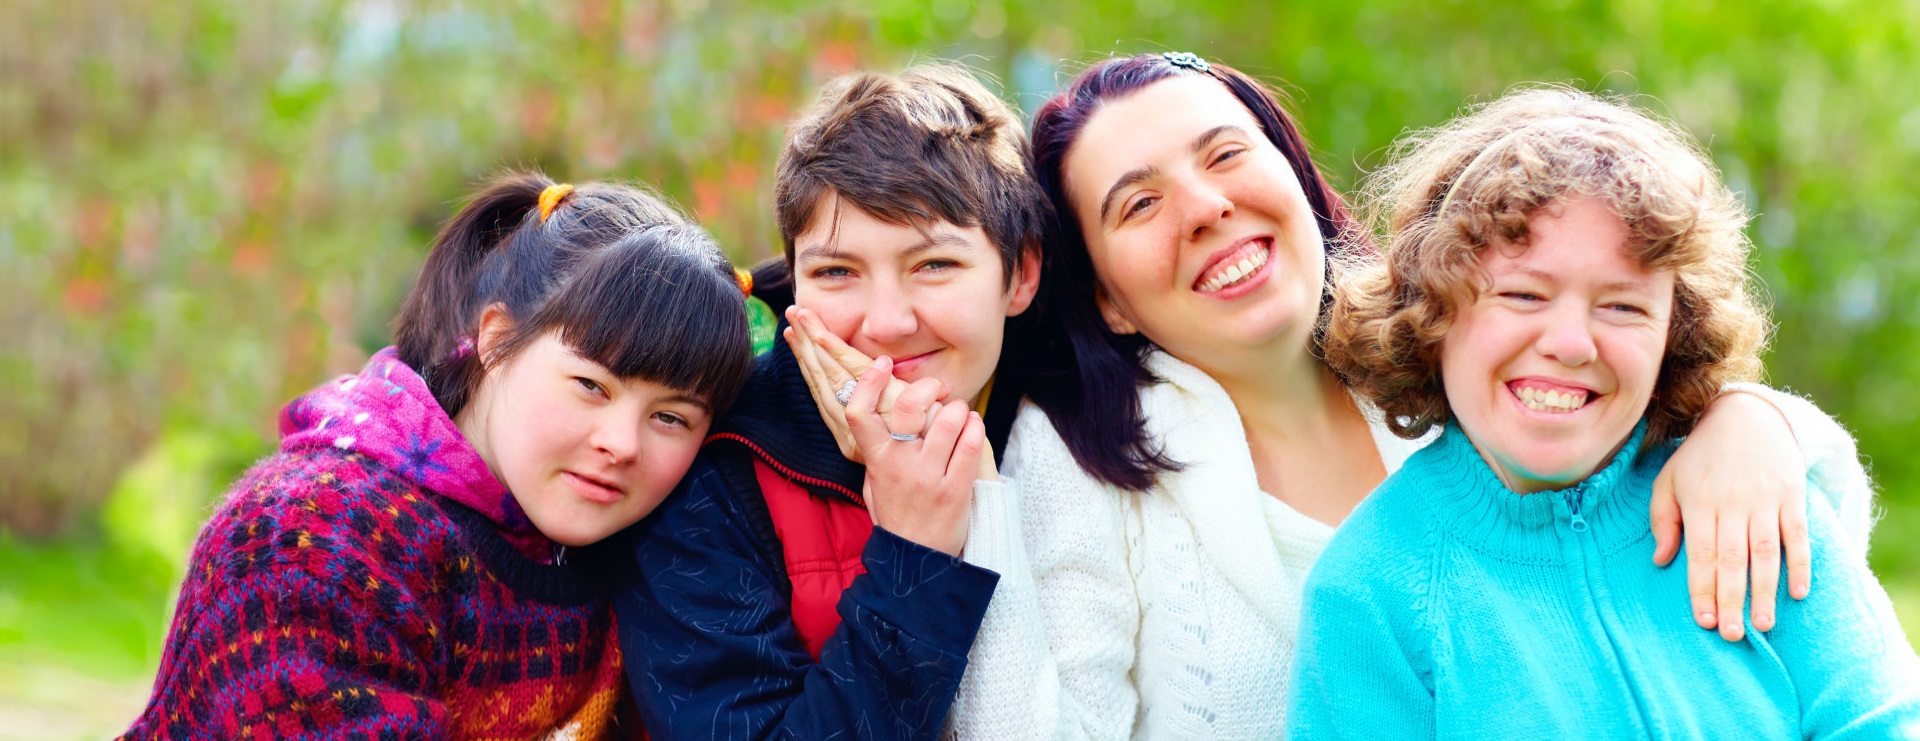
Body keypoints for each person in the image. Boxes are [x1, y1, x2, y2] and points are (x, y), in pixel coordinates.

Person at [942, 53, 1871, 738]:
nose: (1205, 206)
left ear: (1294, 176)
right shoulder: (1079, 456)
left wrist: (1750, 418)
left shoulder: (1458, 330)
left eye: (1225, 155)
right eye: (1138, 203)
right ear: (1104, 293)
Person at [1290, 86, 1920, 737]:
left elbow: (1884, 718)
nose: (1570, 343)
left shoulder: (1749, 507)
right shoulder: (1370, 592)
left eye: (1622, 306)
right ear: (1434, 312)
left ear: (1673, 333)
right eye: (1524, 293)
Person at [120, 172, 751, 739]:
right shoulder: (317, 536)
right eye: (592, 386)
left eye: (670, 417)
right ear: (497, 342)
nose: (623, 443)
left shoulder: (629, 547)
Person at [613, 63, 1044, 739]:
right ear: (796, 278)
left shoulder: (1085, 417)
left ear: (1021, 273)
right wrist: (914, 555)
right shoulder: (709, 472)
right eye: (837, 272)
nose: (886, 321)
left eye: (934, 264)